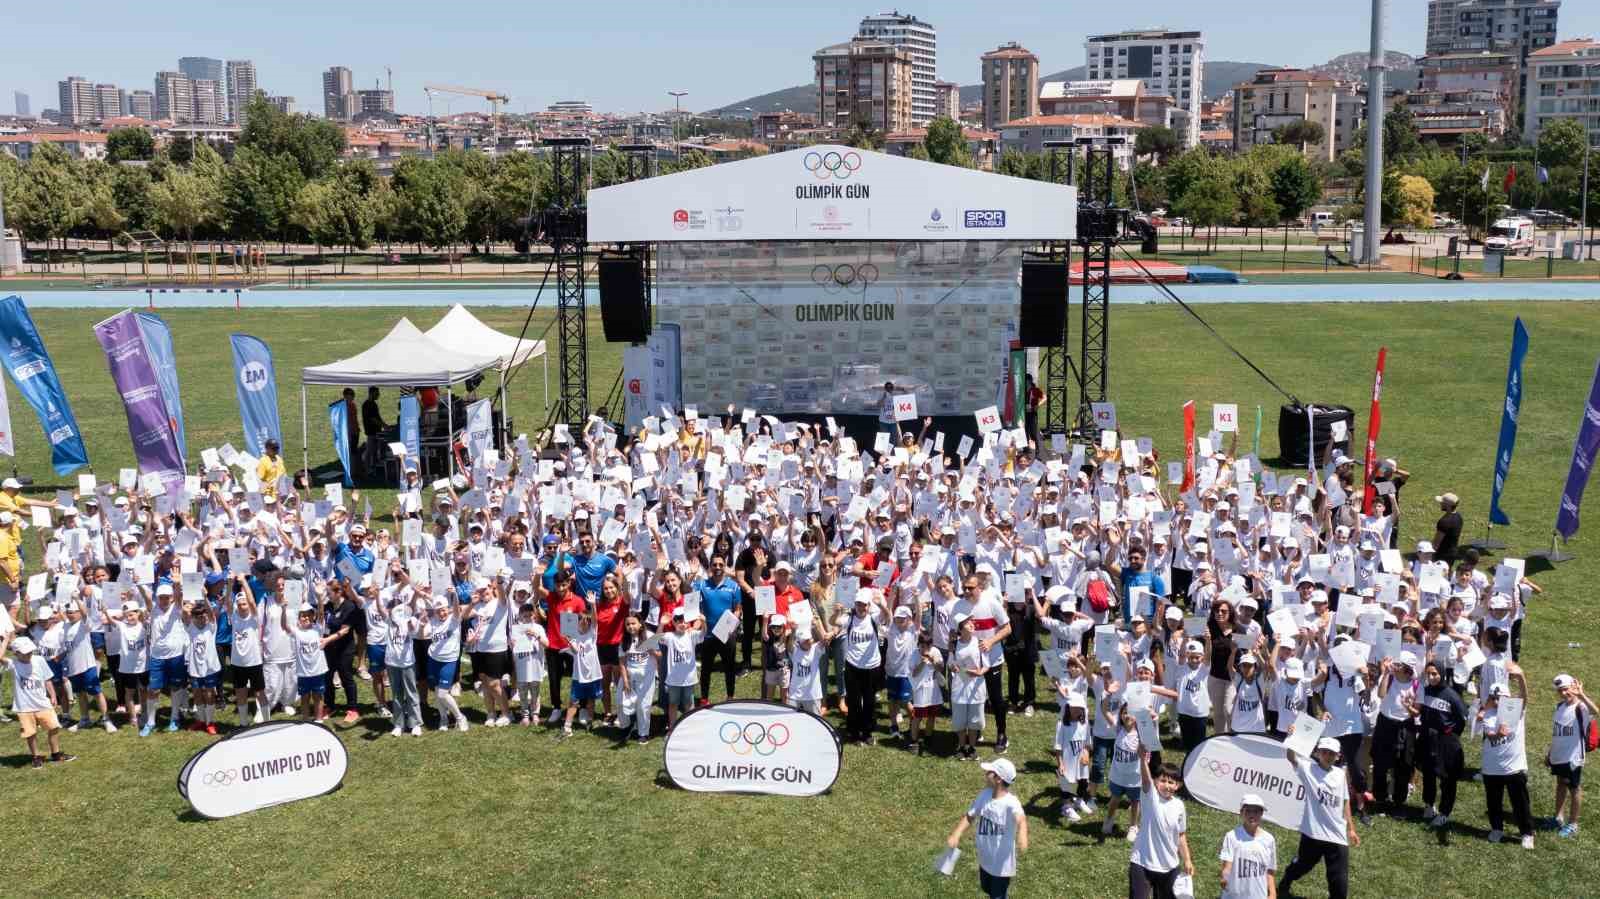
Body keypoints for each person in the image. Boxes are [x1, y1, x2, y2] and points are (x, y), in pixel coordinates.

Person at [1279, 734, 1359, 899]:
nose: (1328, 756)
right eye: (1324, 752)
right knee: (1302, 865)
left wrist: (1351, 828)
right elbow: (1291, 756)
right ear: (1317, 753)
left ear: (1338, 756)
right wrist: (1293, 736)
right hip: (1313, 833)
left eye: (1332, 753)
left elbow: (1345, 802)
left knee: (1340, 883)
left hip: (1337, 835)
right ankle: (1286, 881)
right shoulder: (1308, 769)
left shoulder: (1340, 774)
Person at [945, 757, 1028, 899]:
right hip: (986, 858)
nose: (986, 773)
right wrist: (956, 834)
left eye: (990, 771)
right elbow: (970, 816)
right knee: (988, 889)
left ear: (998, 779)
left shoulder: (1011, 802)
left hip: (1001, 864)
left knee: (998, 895)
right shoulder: (984, 795)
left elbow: (1021, 818)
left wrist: (1022, 834)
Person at [1128, 749, 1194, 899]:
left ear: (1178, 785)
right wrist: (1143, 760)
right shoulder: (1150, 796)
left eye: (1171, 782)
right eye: (1163, 780)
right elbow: (1145, 780)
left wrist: (1187, 860)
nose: (1167, 785)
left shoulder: (1179, 806)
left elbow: (1181, 835)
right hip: (1142, 863)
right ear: (1156, 781)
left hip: (1170, 867)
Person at [1479, 682, 1535, 849]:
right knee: (1493, 801)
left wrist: (1520, 677)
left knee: (1520, 803)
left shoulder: (1516, 710)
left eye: (1501, 698)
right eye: (1494, 698)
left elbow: (1525, 697)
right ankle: (1497, 829)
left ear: (1508, 697)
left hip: (1514, 768)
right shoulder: (1488, 715)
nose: (1497, 702)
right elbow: (1491, 737)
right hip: (1492, 767)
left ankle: (1527, 833)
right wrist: (1497, 734)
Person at [5, 636, 75, 768]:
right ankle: (36, 756)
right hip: (24, 706)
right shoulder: (13, 664)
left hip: (42, 703)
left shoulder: (39, 660)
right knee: (30, 732)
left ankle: (56, 754)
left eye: (30, 651)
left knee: (53, 727)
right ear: (16, 653)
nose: (29, 655)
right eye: (25, 653)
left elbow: (47, 679)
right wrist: (5, 640)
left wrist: (53, 695)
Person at [1548, 673, 1597, 837]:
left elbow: (1595, 711)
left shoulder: (1581, 707)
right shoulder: (1559, 707)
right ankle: (1558, 817)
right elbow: (1557, 732)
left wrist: (1581, 695)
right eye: (1560, 691)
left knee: (1574, 788)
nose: (1563, 693)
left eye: (1566, 689)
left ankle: (1573, 823)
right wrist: (1550, 753)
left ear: (1573, 687)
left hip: (1573, 757)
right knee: (1560, 784)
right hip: (1559, 755)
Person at [1219, 794, 1277, 899]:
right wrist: (1224, 876)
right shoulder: (1232, 836)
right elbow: (1227, 864)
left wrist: (1272, 893)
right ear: (1241, 813)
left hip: (1259, 895)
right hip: (1234, 895)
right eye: (1248, 811)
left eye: (1256, 811)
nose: (1252, 815)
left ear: (1261, 814)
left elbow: (1270, 871)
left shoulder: (1269, 840)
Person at [361, 386, 387, 477]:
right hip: (371, 431)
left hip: (376, 431)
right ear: (371, 393)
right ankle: (366, 469)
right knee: (370, 451)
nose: (378, 395)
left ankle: (373, 469)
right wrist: (383, 425)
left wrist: (384, 425)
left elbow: (377, 417)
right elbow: (372, 419)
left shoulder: (373, 404)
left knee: (375, 450)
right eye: (377, 393)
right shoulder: (367, 404)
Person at [1432, 492, 1464, 564]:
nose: (1440, 504)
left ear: (1448, 505)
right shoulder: (1459, 517)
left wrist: (1430, 556)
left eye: (1442, 503)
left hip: (1442, 555)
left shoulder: (1444, 521)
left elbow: (1436, 543)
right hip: (1452, 553)